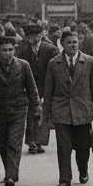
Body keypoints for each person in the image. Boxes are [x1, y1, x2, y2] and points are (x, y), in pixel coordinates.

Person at [43, 30, 93, 186]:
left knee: (83, 147)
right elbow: (48, 91)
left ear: (79, 43)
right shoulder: (54, 63)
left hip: (82, 111)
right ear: (62, 44)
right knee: (63, 148)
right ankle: (65, 179)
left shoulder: (89, 62)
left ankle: (83, 170)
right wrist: (46, 114)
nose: (72, 45)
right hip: (61, 112)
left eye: (75, 42)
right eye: (69, 42)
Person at [0, 35, 41, 186]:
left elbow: (32, 89)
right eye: (4, 50)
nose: (8, 53)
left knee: (14, 143)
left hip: (18, 110)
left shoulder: (23, 66)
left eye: (11, 50)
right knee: (3, 143)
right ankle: (9, 170)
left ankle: (10, 176)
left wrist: (36, 108)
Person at [17, 24, 59, 155]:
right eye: (29, 36)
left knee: (43, 115)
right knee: (31, 115)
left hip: (47, 87)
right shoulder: (23, 51)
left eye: (33, 36)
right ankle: (32, 143)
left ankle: (39, 141)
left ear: (40, 36)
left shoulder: (51, 50)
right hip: (29, 88)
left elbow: (56, 70)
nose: (31, 39)